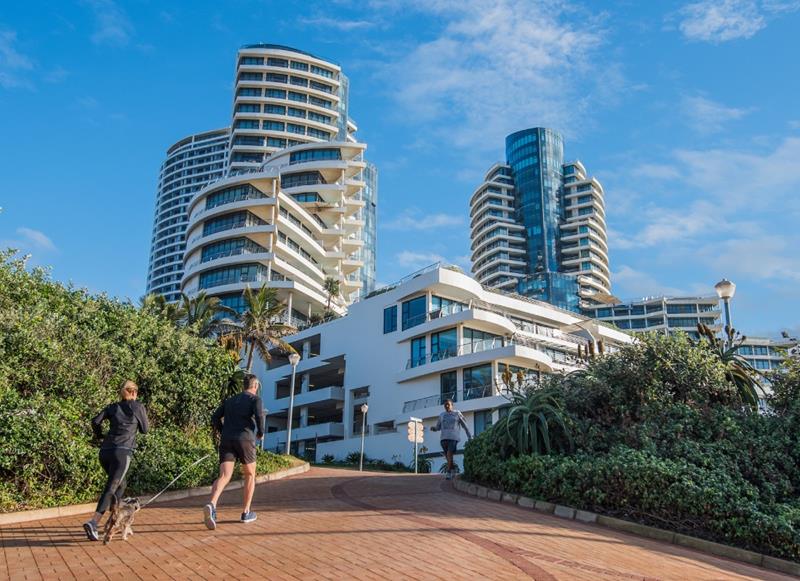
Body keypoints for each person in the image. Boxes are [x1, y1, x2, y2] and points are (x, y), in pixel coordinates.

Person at [83, 380, 149, 541]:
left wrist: (100, 436)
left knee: (121, 485)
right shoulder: (138, 407)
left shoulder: (112, 407)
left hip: (105, 452)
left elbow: (95, 421)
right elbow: (145, 429)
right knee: (111, 487)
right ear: (134, 392)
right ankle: (93, 522)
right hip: (122, 453)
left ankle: (114, 519)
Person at [203, 373, 265, 529]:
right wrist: (261, 432)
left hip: (227, 440)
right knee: (250, 474)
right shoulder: (255, 399)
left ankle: (212, 504)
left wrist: (223, 431)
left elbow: (215, 417)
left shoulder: (230, 400)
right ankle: (246, 512)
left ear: (243, 386)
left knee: (224, 476)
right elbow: (259, 415)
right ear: (255, 385)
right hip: (245, 440)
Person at [430, 399, 471, 480]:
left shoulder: (457, 413)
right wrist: (434, 428)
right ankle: (453, 470)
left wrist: (469, 437)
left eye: (448, 404)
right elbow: (438, 427)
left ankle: (448, 472)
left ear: (452, 405)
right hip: (443, 439)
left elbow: (465, 425)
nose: (447, 406)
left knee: (449, 454)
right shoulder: (442, 415)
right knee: (448, 457)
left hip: (453, 438)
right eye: (445, 404)